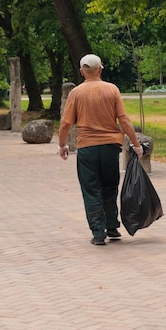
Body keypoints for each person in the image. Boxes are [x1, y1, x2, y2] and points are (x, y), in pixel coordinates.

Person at [58, 54, 144, 246]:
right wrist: (136, 144)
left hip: (87, 147)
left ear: (82, 72)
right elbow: (123, 120)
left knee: (91, 189)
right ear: (100, 70)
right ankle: (112, 226)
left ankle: (98, 233)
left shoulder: (76, 93)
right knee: (110, 187)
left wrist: (62, 145)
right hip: (110, 147)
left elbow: (65, 123)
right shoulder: (111, 90)